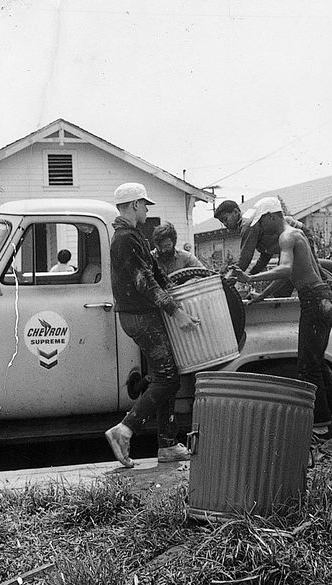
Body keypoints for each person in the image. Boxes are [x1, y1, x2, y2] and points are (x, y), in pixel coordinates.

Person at [229, 197, 332, 440]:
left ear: (270, 217)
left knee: (307, 366)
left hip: (315, 301)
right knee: (315, 359)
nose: (261, 230)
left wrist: (248, 280)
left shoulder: (286, 237)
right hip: (322, 300)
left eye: (261, 223)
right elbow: (287, 277)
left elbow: (286, 270)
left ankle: (319, 425)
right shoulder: (293, 235)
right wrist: (262, 295)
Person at [105, 183, 200, 468]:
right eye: (145, 204)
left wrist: (183, 292)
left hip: (142, 316)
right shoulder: (124, 239)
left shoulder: (134, 236)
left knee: (165, 375)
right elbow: (145, 282)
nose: (147, 209)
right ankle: (124, 429)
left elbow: (158, 276)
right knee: (168, 378)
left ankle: (168, 445)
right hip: (141, 317)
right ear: (134, 205)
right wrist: (177, 313)